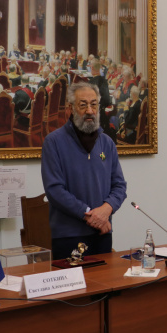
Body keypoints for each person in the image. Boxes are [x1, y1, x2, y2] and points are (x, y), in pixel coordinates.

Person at [41, 82, 127, 260]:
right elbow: (54, 190)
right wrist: (89, 215)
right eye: (83, 105)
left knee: (106, 279)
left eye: (94, 104)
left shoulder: (107, 143)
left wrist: (106, 209)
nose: (89, 110)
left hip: (102, 233)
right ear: (70, 109)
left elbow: (119, 186)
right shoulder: (53, 142)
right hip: (68, 236)